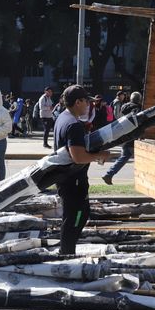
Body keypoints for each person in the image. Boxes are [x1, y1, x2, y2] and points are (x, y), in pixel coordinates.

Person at [54, 85, 109, 255]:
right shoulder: (73, 124)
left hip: (66, 178)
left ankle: (66, 252)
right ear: (78, 102)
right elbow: (77, 156)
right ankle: (67, 254)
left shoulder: (63, 117)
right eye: (86, 101)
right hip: (74, 180)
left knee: (74, 217)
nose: (89, 105)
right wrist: (99, 155)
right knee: (76, 217)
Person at [102, 91, 142, 185]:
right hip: (132, 135)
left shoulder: (124, 106)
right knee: (126, 155)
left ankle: (109, 174)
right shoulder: (137, 109)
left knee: (126, 155)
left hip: (123, 133)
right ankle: (109, 174)